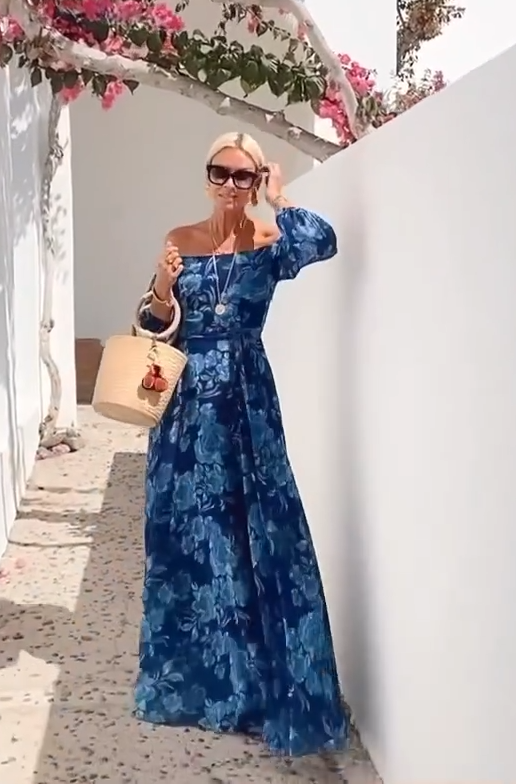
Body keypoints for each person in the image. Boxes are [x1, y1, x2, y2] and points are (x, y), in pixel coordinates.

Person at [133, 132, 348, 756]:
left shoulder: (271, 241)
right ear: (206, 177)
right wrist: (162, 286)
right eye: (220, 172)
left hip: (247, 403)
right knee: (189, 538)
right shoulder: (179, 240)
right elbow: (154, 326)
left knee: (259, 535)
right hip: (185, 409)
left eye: (243, 175)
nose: (230, 184)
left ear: (256, 181)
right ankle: (197, 689)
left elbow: (324, 241)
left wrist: (281, 198)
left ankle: (257, 690)